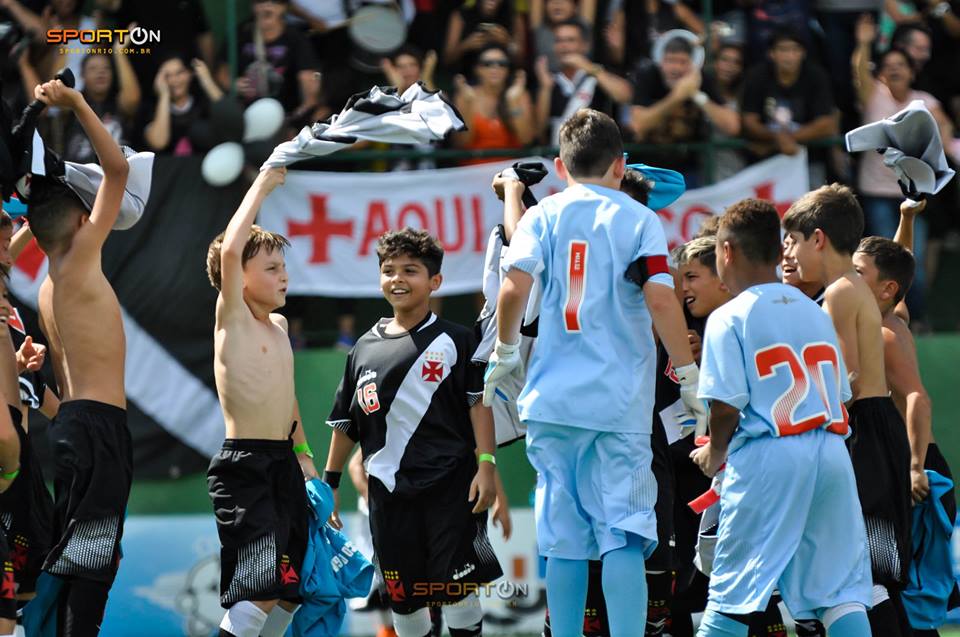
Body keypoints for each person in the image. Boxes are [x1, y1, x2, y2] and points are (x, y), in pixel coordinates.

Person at [484, 109, 703, 637]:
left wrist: (505, 350)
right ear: (621, 166)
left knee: (563, 540)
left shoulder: (542, 215)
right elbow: (660, 298)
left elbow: (514, 286)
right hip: (618, 404)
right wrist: (690, 374)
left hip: (552, 402)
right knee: (622, 534)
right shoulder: (639, 219)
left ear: (561, 167)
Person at [690, 197, 872, 637]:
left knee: (731, 595)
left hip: (771, 452)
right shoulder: (813, 309)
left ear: (727, 251)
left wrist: (715, 452)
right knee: (839, 594)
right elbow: (842, 393)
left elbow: (725, 405)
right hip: (831, 449)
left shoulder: (729, 315)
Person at [324, 228, 502, 637]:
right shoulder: (363, 349)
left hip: (451, 489)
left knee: (456, 592)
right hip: (387, 497)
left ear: (435, 281)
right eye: (388, 270)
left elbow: (478, 404)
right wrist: (330, 482)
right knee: (404, 600)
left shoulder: (458, 340)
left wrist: (487, 465)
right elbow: (346, 424)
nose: (398, 279)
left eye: (410, 270)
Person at [25, 77, 132, 636]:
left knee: (74, 556)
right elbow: (118, 171)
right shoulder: (82, 254)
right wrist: (76, 103)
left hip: (68, 424)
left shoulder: (46, 285)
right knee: (92, 563)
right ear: (77, 220)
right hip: (98, 427)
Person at [782, 184, 913, 637]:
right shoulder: (849, 288)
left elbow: (845, 378)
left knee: (867, 568)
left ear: (818, 239)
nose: (789, 253)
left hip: (863, 432)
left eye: (795, 241)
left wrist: (800, 422)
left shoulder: (839, 292)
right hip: (871, 429)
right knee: (866, 569)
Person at [204, 165, 318, 637]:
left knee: (291, 590)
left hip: (284, 464)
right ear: (239, 279)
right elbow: (232, 249)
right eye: (272, 269)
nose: (284, 276)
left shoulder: (280, 327)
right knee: (261, 588)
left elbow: (288, 399)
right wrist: (264, 184)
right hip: (245, 468)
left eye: (284, 267)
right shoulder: (232, 316)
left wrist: (305, 457)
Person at [852, 14, 953, 326]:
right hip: (876, 194)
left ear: (912, 71)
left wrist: (937, 147)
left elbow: (945, 127)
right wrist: (864, 44)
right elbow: (859, 71)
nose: (894, 69)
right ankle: (881, 322)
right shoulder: (874, 95)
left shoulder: (924, 101)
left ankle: (915, 322)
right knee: (884, 264)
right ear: (881, 73)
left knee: (912, 265)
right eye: (888, 65)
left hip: (912, 196)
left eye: (901, 65)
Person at [628, 34, 739, 185]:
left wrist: (696, 95)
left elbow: (732, 126)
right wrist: (676, 97)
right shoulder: (648, 75)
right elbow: (638, 125)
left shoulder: (701, 78)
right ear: (661, 62)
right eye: (670, 61)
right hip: (647, 168)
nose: (676, 68)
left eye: (682, 62)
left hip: (687, 171)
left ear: (692, 65)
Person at [740, 27, 836, 185]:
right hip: (765, 164)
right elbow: (749, 121)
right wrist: (778, 139)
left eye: (795, 49)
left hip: (809, 161)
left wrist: (785, 140)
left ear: (803, 53)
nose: (789, 56)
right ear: (771, 53)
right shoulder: (756, 76)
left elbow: (826, 124)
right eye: (783, 49)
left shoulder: (816, 76)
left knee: (815, 200)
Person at [536, 19, 632, 145]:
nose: (564, 46)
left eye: (570, 40)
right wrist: (545, 88)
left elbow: (626, 96)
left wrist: (588, 68)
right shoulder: (548, 79)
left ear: (585, 46)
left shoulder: (598, 73)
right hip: (558, 154)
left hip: (596, 153)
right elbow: (538, 130)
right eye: (559, 41)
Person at [452, 45, 535, 165]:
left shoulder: (519, 94)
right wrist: (469, 103)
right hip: (473, 170)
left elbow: (526, 139)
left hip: (510, 171)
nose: (495, 67)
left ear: (508, 69)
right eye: (487, 64)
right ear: (477, 69)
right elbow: (462, 143)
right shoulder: (465, 95)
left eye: (502, 64)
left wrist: (512, 101)